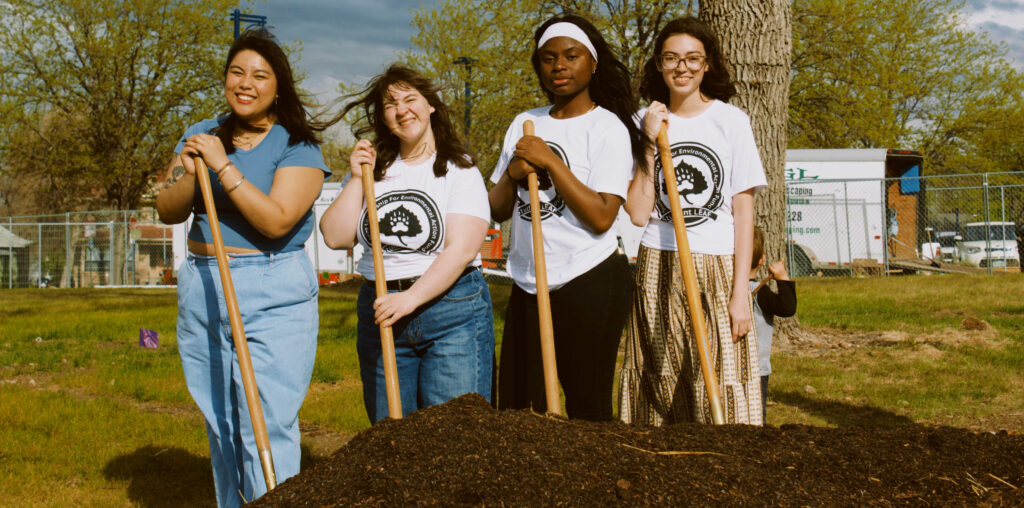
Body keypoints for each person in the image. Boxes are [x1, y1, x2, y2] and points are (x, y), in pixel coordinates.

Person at [155, 29, 329, 507]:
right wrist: (190, 171)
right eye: (237, 72)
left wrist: (223, 167)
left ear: (278, 86)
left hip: (273, 288)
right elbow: (167, 209)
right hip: (205, 283)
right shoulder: (201, 131)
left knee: (265, 420)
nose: (245, 83)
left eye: (259, 75)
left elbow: (276, 221)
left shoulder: (298, 145)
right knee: (222, 418)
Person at [489, 14, 644, 421]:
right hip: (528, 280)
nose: (559, 66)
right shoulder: (524, 123)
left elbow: (602, 216)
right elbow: (497, 208)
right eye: (548, 58)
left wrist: (551, 164)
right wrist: (512, 173)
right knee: (521, 409)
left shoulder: (607, 127)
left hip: (589, 278)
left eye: (571, 56)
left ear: (592, 64)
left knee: (586, 405)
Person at [319, 64, 494, 423]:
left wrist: (410, 299)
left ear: (430, 105)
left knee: (454, 434)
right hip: (381, 309)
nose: (401, 110)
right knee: (392, 442)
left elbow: (462, 249)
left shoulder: (459, 169)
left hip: (451, 311)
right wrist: (355, 178)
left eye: (410, 99)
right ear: (383, 117)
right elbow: (335, 236)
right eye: (390, 103)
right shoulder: (374, 171)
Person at [618, 16, 767, 426]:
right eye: (672, 58)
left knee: (722, 375)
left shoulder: (731, 121)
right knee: (659, 372)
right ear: (659, 65)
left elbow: (743, 211)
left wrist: (741, 293)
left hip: (717, 265)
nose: (681, 67)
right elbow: (636, 211)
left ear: (706, 65)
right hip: (658, 261)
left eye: (692, 58)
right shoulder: (642, 122)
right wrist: (649, 139)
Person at [749, 226, 796, 422]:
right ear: (762, 260)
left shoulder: (723, 288)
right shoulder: (760, 293)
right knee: (756, 414)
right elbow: (787, 307)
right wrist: (782, 278)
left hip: (728, 366)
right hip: (757, 368)